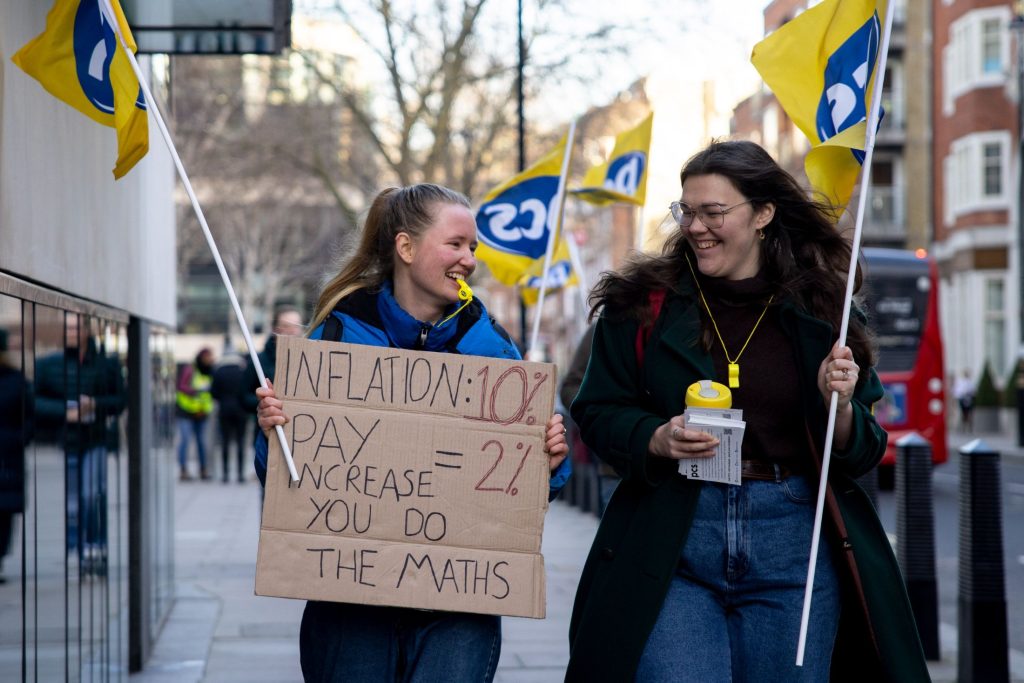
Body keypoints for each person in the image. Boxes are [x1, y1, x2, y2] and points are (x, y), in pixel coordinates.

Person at [565, 141, 929, 682]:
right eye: (687, 211)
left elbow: (863, 449)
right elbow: (595, 408)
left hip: (793, 542)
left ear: (763, 214)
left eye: (713, 212)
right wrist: (655, 437)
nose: (696, 227)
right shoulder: (641, 303)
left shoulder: (822, 308)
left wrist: (840, 407)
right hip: (676, 539)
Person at [253, 183, 571, 683]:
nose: (469, 260)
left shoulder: (494, 348)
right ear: (405, 247)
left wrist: (550, 461)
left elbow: (531, 491)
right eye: (455, 244)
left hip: (457, 610)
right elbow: (283, 476)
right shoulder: (337, 335)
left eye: (473, 247)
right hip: (351, 606)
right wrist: (273, 432)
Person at [34, 315, 125, 576]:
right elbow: (34, 400)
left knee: (92, 494)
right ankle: (79, 546)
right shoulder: (51, 364)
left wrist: (95, 404)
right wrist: (65, 411)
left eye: (75, 328)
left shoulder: (106, 363)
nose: (71, 333)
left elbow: (120, 400)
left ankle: (94, 546)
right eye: (68, 328)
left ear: (87, 330)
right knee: (74, 501)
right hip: (70, 439)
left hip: (97, 438)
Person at [559, 323, 619, 516]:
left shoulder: (692, 320)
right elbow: (570, 386)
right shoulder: (607, 325)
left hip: (683, 472)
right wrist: (600, 419)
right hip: (618, 467)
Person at [0, 329, 32, 584]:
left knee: (4, 513)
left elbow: (29, 416)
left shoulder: (15, 380)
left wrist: (19, 439)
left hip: (8, 457)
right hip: (9, 453)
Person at [176, 348, 214, 480]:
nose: (209, 360)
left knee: (201, 442)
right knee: (185, 440)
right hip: (186, 411)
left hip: (201, 413)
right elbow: (181, 386)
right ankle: (183, 470)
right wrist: (196, 391)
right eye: (207, 357)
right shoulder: (190, 369)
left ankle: (203, 469)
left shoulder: (210, 372)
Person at [211, 352, 249, 483]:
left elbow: (213, 392)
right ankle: (240, 474)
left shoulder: (219, 371)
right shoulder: (243, 371)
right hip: (241, 410)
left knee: (225, 442)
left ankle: (225, 474)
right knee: (241, 441)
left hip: (224, 409)